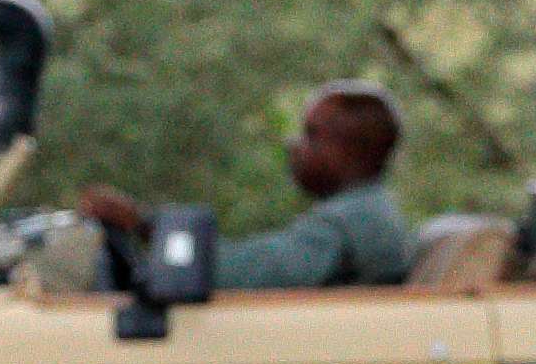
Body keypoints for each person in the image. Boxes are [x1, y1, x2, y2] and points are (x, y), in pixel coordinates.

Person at [75, 81, 413, 289]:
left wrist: (142, 224)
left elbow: (244, 274)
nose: (295, 147)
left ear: (350, 149)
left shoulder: (351, 222)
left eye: (312, 136)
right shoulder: (365, 211)